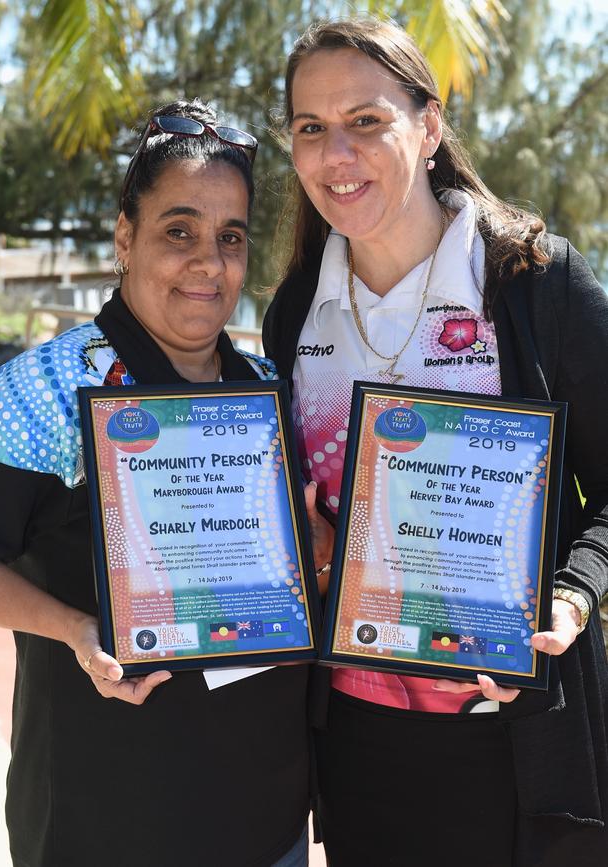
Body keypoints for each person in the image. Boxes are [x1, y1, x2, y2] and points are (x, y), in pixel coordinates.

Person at [263, 17, 608, 867]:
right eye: (311, 128)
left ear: (429, 126)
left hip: (517, 742)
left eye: (365, 120)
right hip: (354, 743)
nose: (335, 153)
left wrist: (570, 595)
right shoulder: (294, 309)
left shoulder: (534, 283)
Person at [0, 99, 310, 867]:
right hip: (102, 820)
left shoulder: (267, 389)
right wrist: (75, 630)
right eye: (178, 231)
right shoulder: (39, 393)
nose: (207, 263)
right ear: (125, 235)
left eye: (231, 238)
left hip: (267, 815)